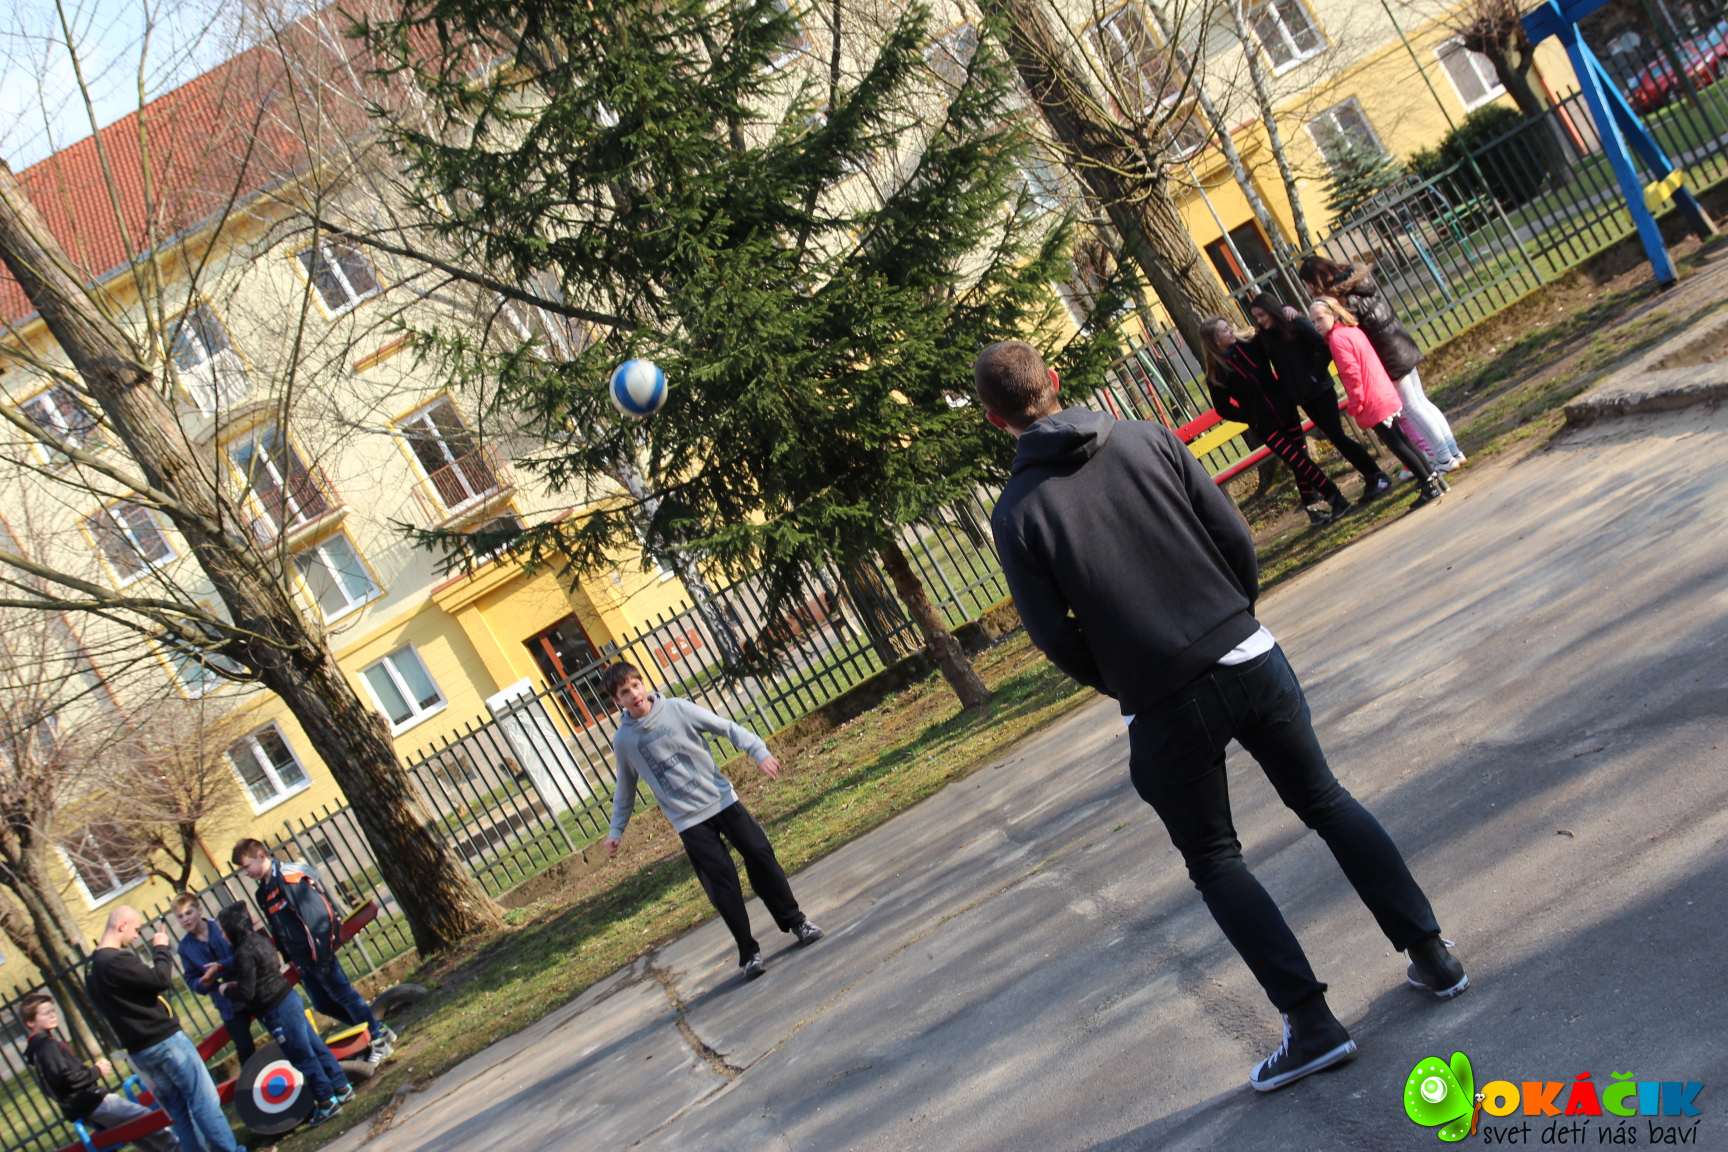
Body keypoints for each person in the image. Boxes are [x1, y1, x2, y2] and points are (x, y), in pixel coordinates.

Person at [972, 339, 1468, 1094]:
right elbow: (1233, 536)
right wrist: (1232, 615)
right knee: (1325, 800)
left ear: (994, 418)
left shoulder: (1018, 511)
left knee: (1214, 858)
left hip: (1162, 696)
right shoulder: (1146, 438)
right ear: (1055, 381)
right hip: (1246, 651)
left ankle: (1313, 1025)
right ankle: (1432, 955)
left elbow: (1053, 636)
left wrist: (1129, 676)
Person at [602, 662, 822, 979]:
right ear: (617, 701)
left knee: (760, 854)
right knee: (722, 885)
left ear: (643, 684)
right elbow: (625, 787)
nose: (634, 694)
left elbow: (726, 727)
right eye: (625, 692)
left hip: (721, 800)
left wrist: (758, 752)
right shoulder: (624, 741)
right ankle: (749, 953)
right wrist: (616, 830)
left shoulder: (677, 709)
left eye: (636, 685)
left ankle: (796, 921)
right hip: (689, 822)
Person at [84, 907, 246, 1152]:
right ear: (121, 926)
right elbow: (160, 980)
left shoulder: (91, 968)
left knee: (179, 1112)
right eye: (135, 929)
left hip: (139, 1050)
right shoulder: (115, 960)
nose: (136, 936)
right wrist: (161, 948)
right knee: (203, 1100)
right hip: (163, 1040)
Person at [229, 839, 396, 1064]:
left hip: (317, 954)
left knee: (345, 996)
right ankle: (375, 1029)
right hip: (300, 959)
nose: (245, 872)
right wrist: (289, 958)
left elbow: (315, 916)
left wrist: (321, 954)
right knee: (322, 1003)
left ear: (261, 856)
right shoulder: (263, 892)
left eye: (246, 866)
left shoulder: (288, 879)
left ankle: (377, 1039)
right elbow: (279, 927)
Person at [1297, 256, 1466, 471]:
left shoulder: (1345, 298)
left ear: (1316, 280)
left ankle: (1444, 458)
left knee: (1412, 408)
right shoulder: (1358, 285)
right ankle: (1453, 452)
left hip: (1388, 355)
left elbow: (1346, 329)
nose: (1308, 289)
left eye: (1308, 284)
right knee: (1421, 402)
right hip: (1400, 345)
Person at [1201, 316, 1352, 527]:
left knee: (1300, 457)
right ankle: (1334, 497)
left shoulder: (1251, 346)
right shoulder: (1217, 374)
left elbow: (1273, 342)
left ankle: (1313, 508)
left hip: (1285, 409)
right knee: (1298, 460)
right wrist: (1250, 415)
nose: (1231, 330)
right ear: (1216, 341)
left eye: (1229, 326)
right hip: (1265, 425)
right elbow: (1223, 408)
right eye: (1224, 330)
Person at [215, 902, 351, 1127]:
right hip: (289, 998)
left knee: (301, 1056)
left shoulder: (243, 953)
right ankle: (341, 1086)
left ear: (232, 928)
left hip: (275, 1009)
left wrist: (226, 989)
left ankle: (326, 1101)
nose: (221, 935)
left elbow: (247, 992)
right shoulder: (260, 940)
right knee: (315, 1046)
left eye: (222, 929)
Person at [1247, 292, 1391, 501]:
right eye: (1256, 317)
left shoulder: (1295, 324)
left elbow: (1322, 347)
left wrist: (1314, 375)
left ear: (1271, 310)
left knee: (1337, 436)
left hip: (1320, 390)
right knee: (1335, 437)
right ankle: (1371, 476)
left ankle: (1376, 475)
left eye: (1262, 315)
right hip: (1302, 396)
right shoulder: (1265, 336)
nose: (1260, 320)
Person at [1309, 297, 1447, 509]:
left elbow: (1352, 375)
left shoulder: (1337, 339)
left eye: (1320, 319)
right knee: (1403, 440)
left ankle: (1429, 483)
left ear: (1333, 314)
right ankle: (1433, 478)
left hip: (1373, 399)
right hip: (1382, 391)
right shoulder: (1351, 330)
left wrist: (1356, 404)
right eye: (1313, 321)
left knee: (1398, 445)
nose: (1316, 325)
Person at [20, 993, 178, 1151]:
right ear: (30, 1022)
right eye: (46, 1013)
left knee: (137, 1133)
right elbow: (67, 1079)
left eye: (53, 1010)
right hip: (93, 1102)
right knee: (147, 1120)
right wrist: (97, 1070)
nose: (52, 1015)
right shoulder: (46, 1046)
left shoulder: (38, 1049)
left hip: (84, 1106)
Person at [172, 894, 256, 1067]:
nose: (185, 919)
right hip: (227, 1002)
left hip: (250, 987)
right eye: (180, 916)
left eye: (189, 913)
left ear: (199, 910)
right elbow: (191, 979)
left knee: (278, 1029)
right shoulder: (185, 948)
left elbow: (244, 952)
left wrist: (220, 966)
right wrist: (203, 983)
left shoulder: (220, 926)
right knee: (245, 1049)